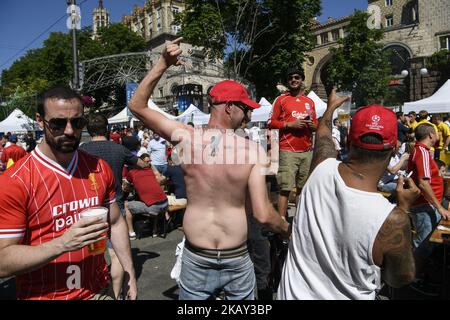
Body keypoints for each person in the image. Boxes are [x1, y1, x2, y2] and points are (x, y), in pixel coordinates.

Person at [128, 37, 290, 300]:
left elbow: (136, 106)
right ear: (229, 107)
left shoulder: (187, 138)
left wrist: (162, 64)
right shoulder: (252, 151)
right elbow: (262, 214)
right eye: (244, 109)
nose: (248, 115)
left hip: (197, 254)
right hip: (235, 256)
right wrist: (286, 229)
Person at [277, 92, 420, 300]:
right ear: (395, 147)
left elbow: (323, 133)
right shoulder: (393, 219)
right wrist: (404, 208)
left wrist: (331, 108)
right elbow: (398, 278)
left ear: (347, 140)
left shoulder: (320, 168)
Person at [0, 86, 137, 300]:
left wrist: (129, 273)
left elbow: (116, 221)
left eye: (77, 122)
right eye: (58, 123)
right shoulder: (15, 181)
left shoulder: (99, 168)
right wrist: (62, 244)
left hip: (97, 290)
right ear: (39, 120)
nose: (70, 131)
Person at [79, 113, 147, 299]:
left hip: (90, 209)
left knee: (92, 255)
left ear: (89, 130)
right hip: (115, 206)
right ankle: (114, 294)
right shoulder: (119, 149)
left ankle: (93, 292)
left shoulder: (82, 150)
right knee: (115, 256)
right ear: (107, 128)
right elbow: (141, 164)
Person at [268, 66, 317, 219]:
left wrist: (313, 126)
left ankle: (299, 220)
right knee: (285, 188)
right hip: (288, 150)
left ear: (302, 79)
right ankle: (282, 222)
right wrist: (290, 125)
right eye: (291, 78)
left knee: (303, 188)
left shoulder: (309, 102)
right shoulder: (281, 99)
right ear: (287, 81)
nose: (294, 80)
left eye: (297, 77)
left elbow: (314, 124)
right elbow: (270, 122)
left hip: (307, 151)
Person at [407, 123, 450, 294]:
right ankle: (414, 279)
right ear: (431, 135)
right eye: (437, 132)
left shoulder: (421, 151)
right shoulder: (422, 152)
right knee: (423, 245)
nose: (439, 134)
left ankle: (421, 274)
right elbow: (424, 182)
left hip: (425, 205)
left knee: (427, 243)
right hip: (424, 205)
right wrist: (439, 207)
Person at [124, 153, 168, 239]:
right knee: (152, 201)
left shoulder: (132, 173)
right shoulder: (150, 170)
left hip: (154, 207)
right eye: (147, 162)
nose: (149, 163)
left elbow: (126, 186)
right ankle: (154, 231)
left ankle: (131, 233)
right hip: (165, 204)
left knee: (126, 206)